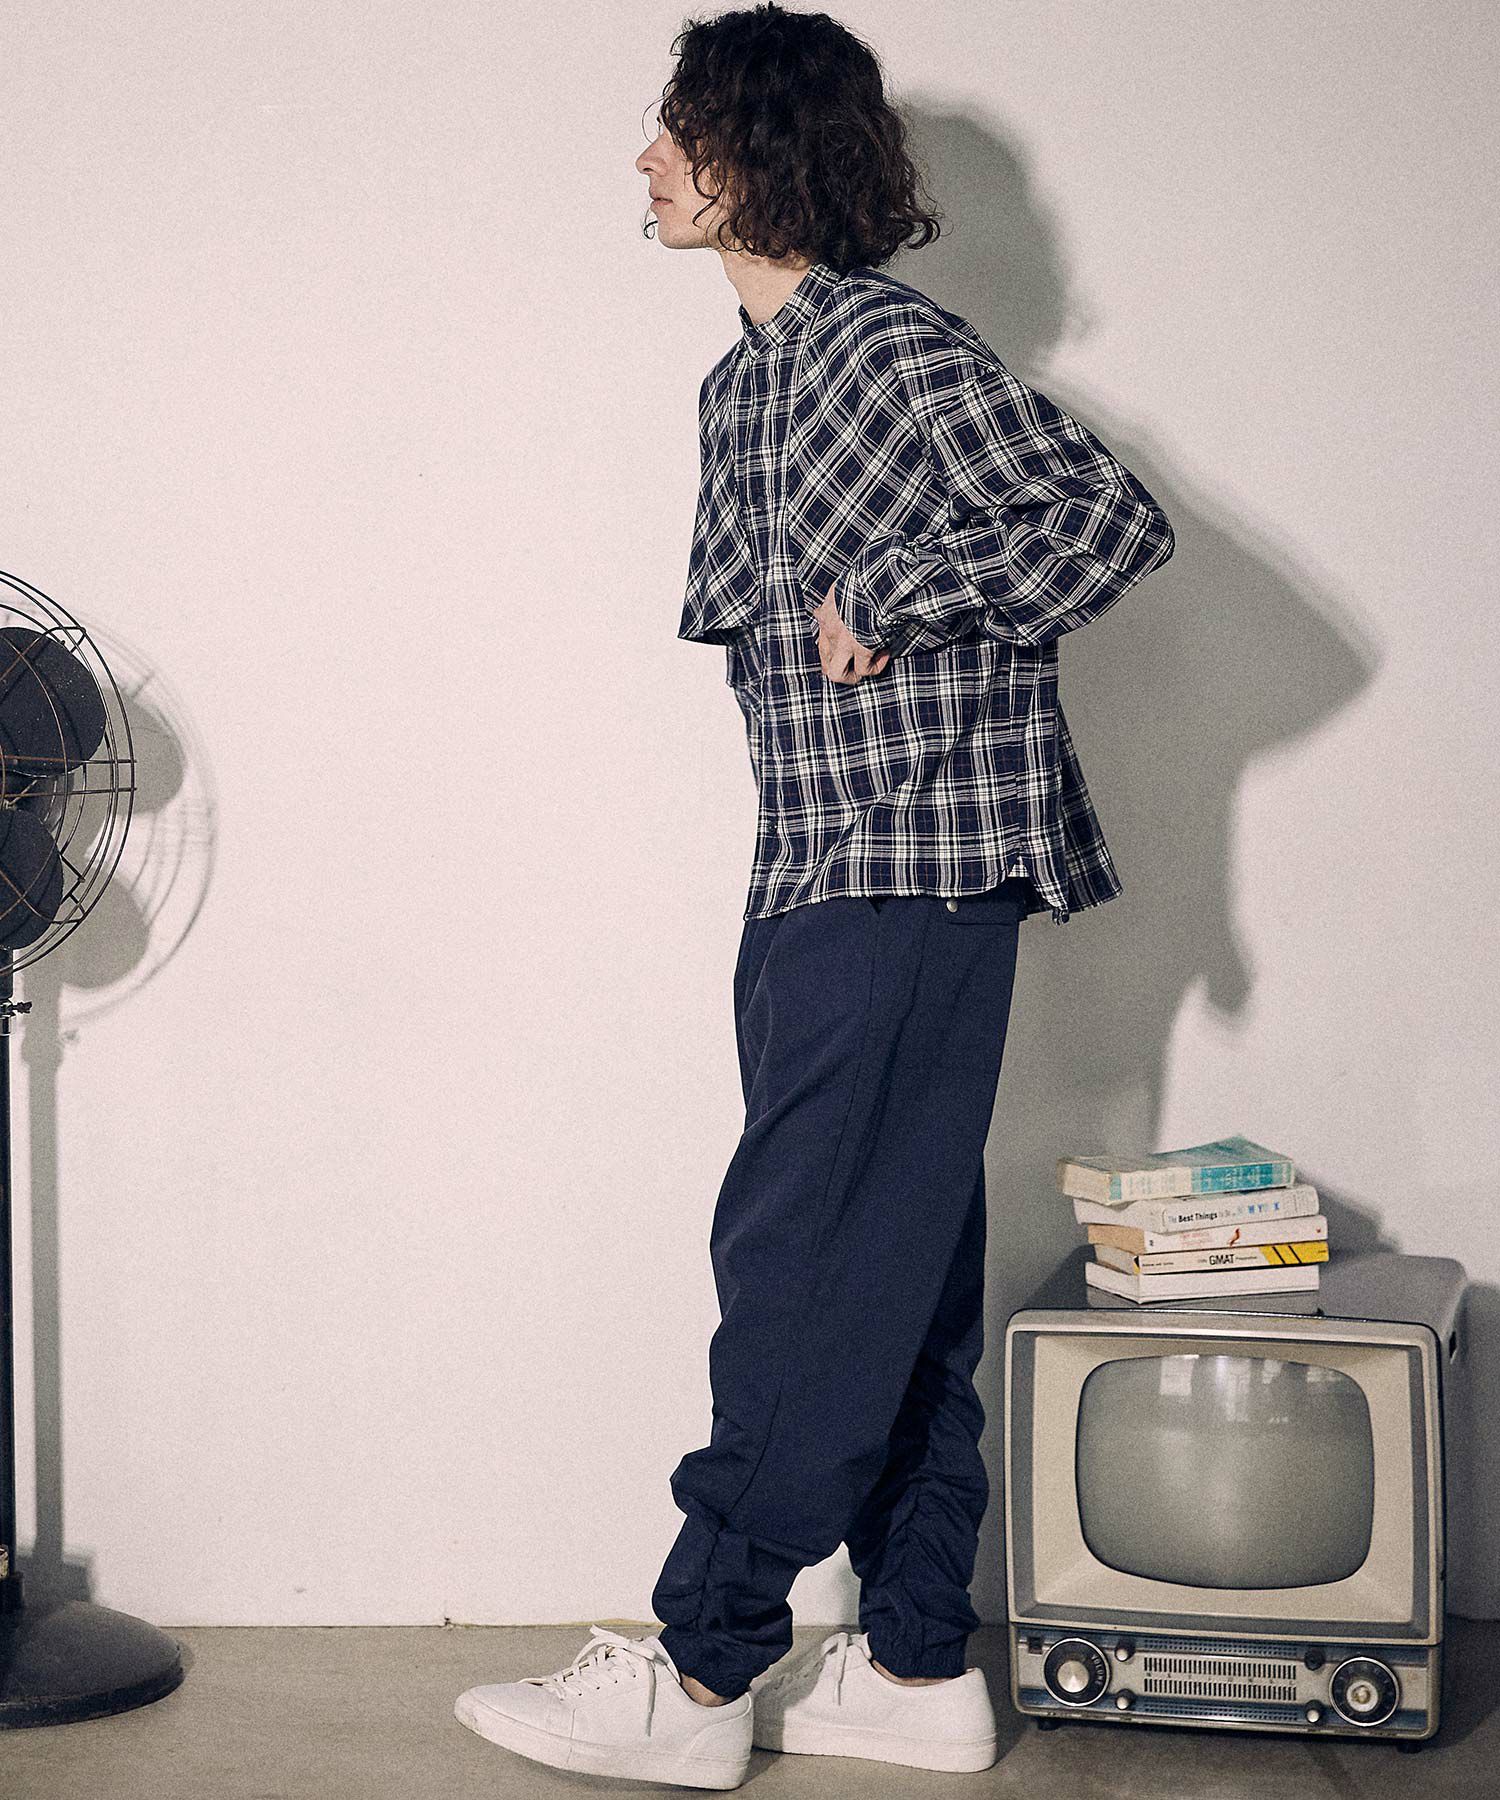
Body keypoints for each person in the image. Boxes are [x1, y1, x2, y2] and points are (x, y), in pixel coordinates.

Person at [455, 3, 1174, 1788]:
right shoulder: (750, 382)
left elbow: (1109, 518)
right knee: (897, 1272)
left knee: (798, 1264)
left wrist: (910, 589)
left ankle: (705, 1674)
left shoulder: (878, 345)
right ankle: (918, 1666)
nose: (646, 158)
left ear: (754, 153)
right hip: (821, 866)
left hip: (912, 866)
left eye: (677, 130)